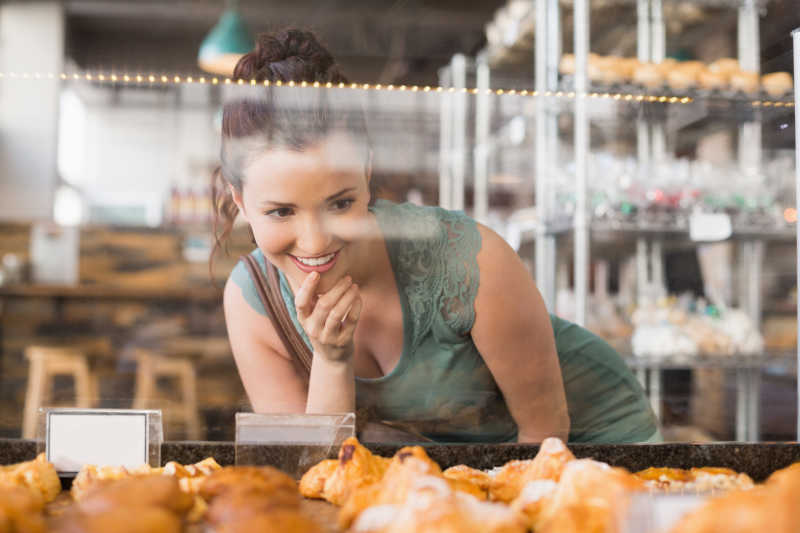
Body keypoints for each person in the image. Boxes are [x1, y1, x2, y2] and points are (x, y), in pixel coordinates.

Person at [212, 28, 660, 443]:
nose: (314, 241)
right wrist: (331, 358)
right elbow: (312, 473)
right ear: (240, 200)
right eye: (281, 212)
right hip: (466, 470)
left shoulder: (470, 261)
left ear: (367, 170)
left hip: (594, 445)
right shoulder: (255, 302)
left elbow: (545, 438)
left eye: (340, 203)